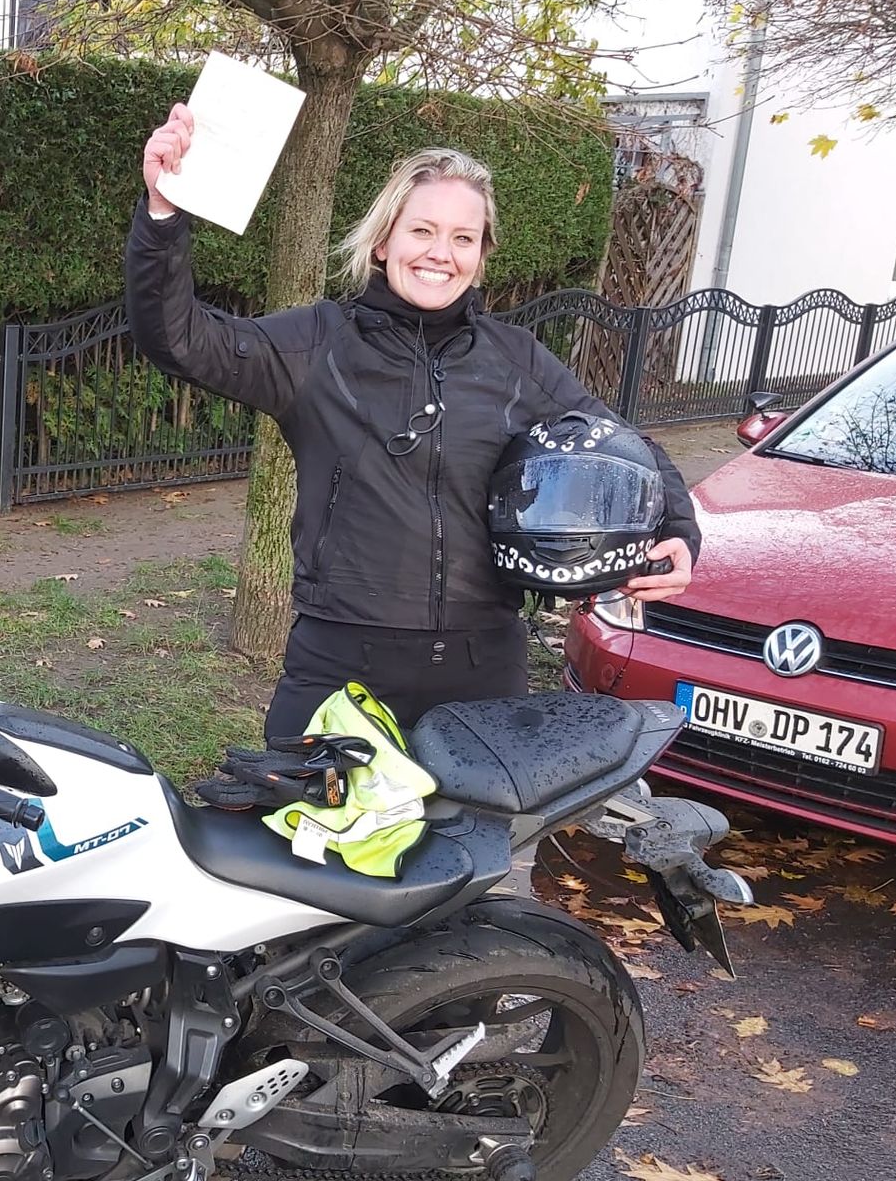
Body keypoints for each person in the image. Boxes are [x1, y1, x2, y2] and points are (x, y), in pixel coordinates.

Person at [127, 102, 701, 747]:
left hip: (484, 669)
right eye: (422, 230)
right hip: (341, 669)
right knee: (304, 818)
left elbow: (624, 447)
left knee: (474, 821)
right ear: (383, 241)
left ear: (481, 255)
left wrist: (678, 529)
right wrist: (163, 213)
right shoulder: (317, 344)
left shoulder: (515, 359)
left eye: (463, 238)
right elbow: (177, 338)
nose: (440, 254)